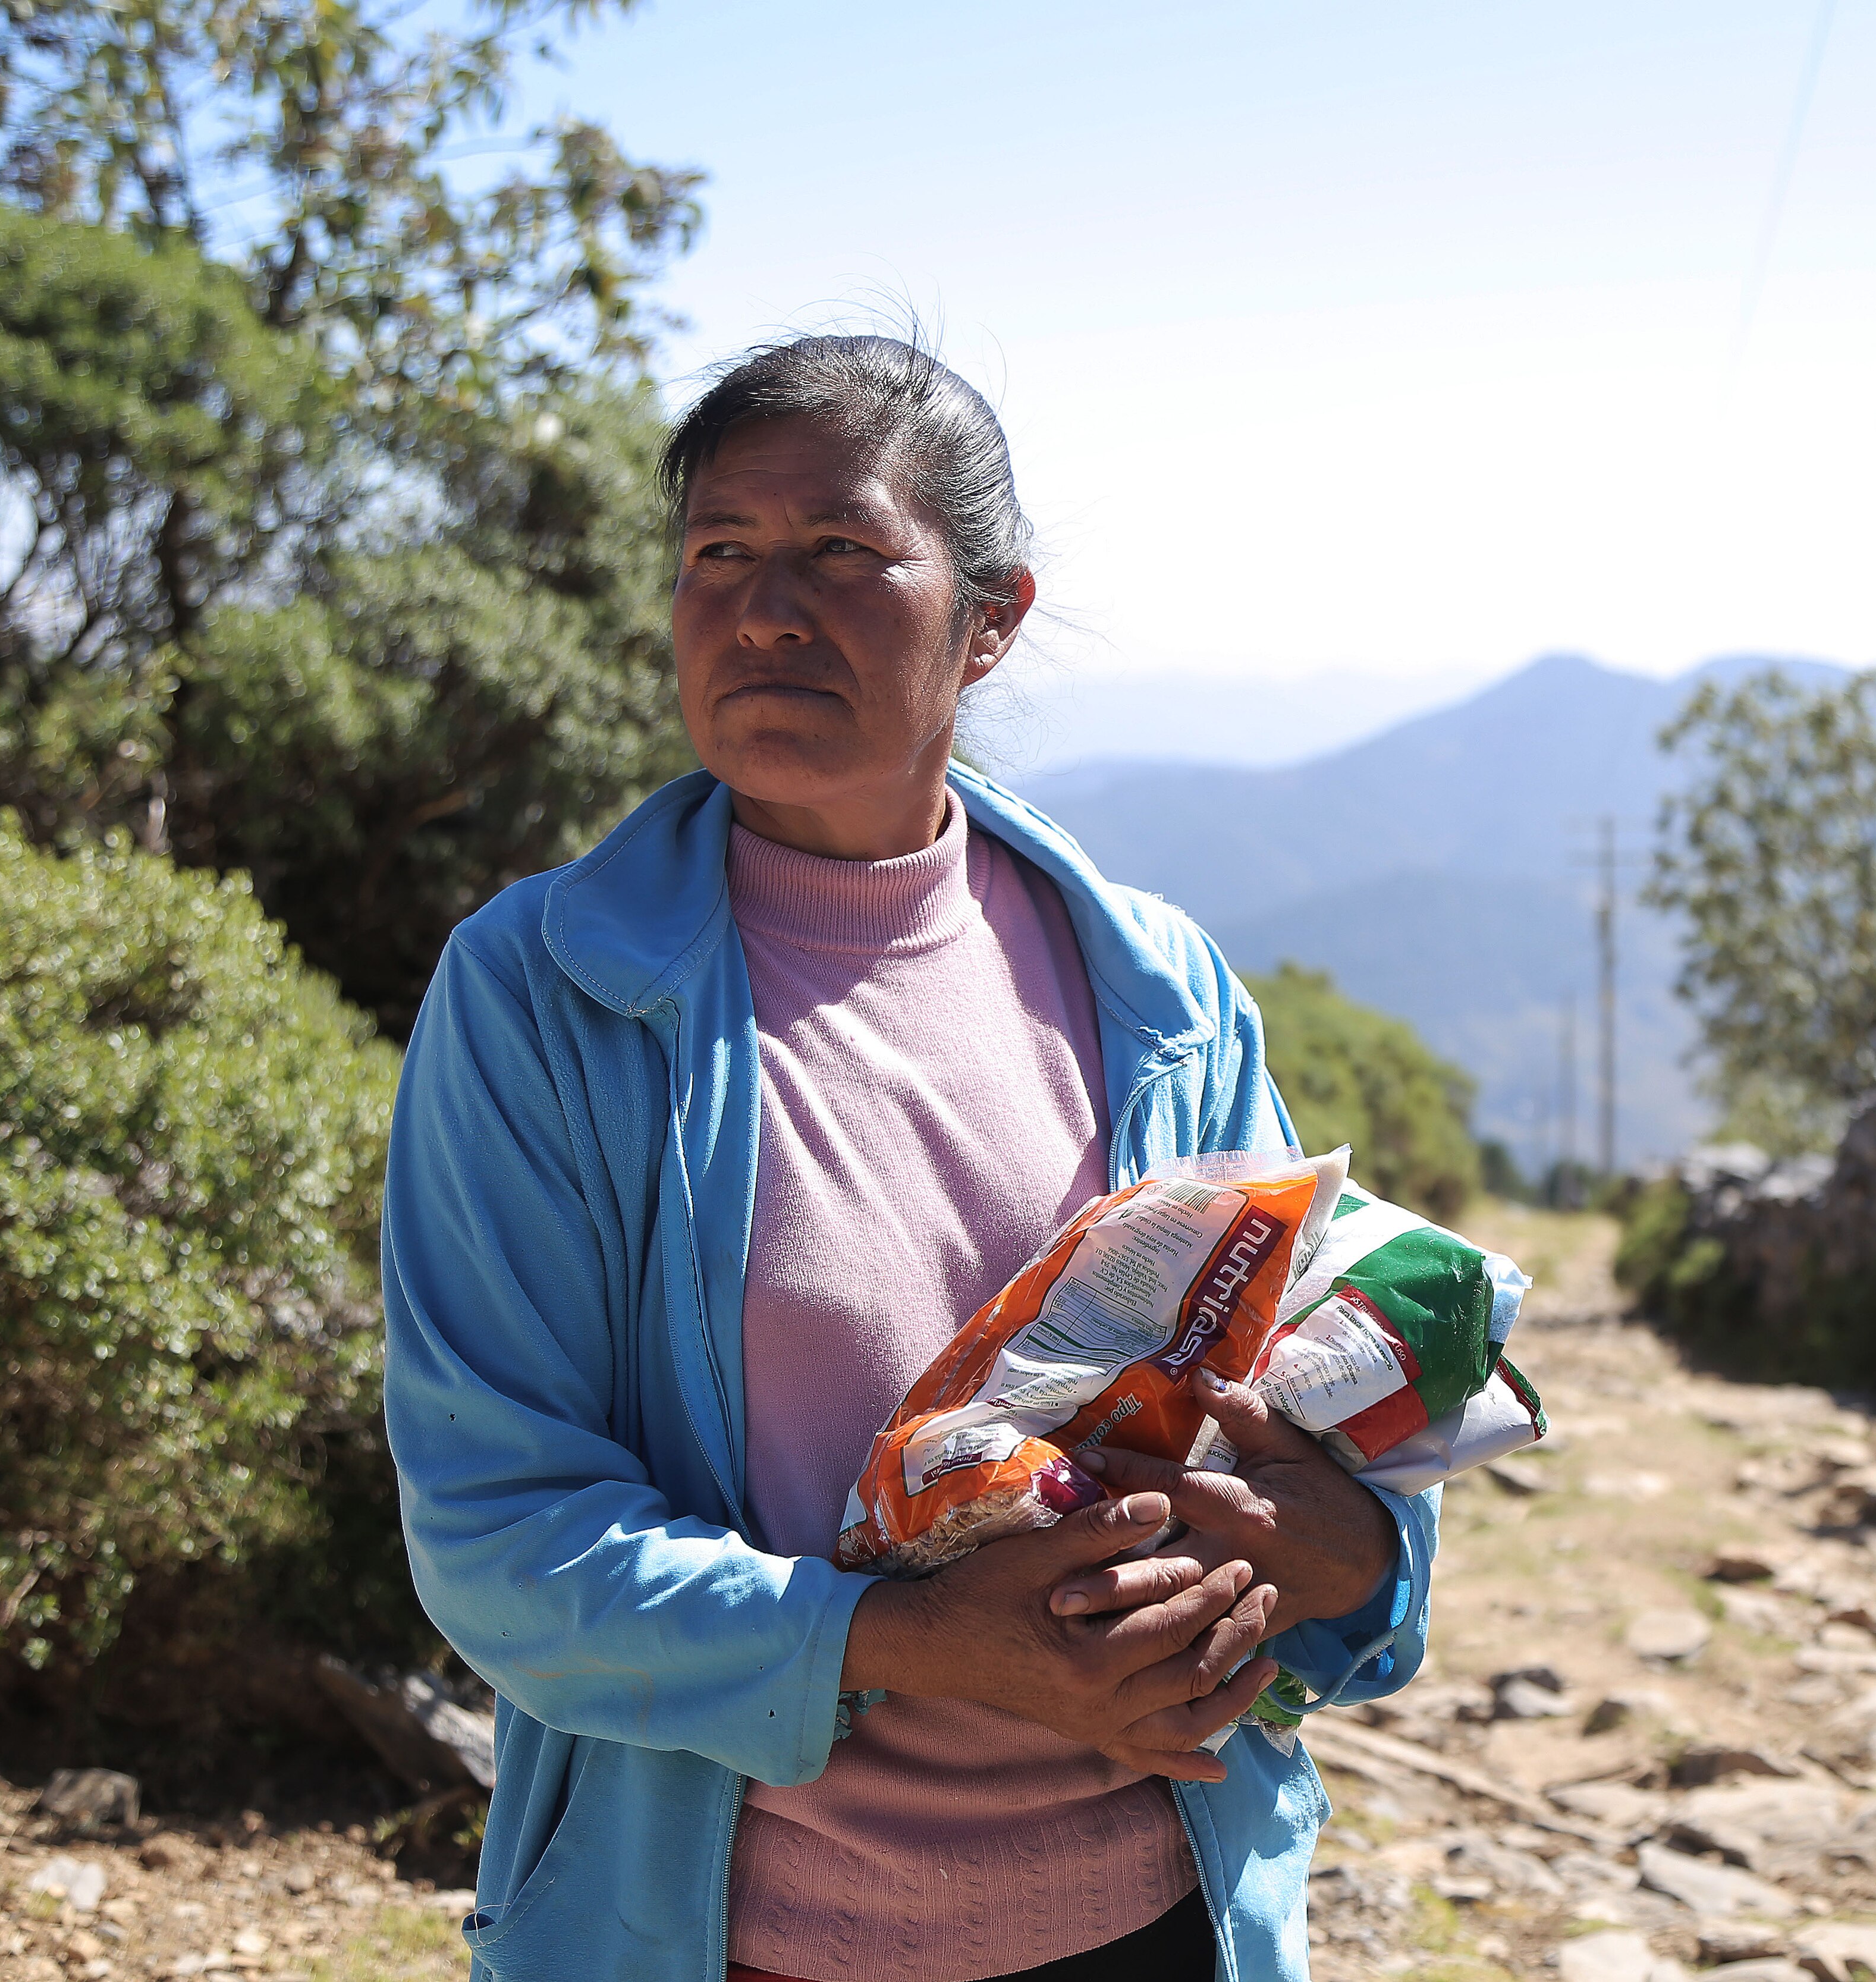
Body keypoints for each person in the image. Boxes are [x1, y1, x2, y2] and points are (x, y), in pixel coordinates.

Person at [381, 335, 1443, 1982]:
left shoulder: (1157, 990)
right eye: (717, 554)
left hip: (1160, 1925)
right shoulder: (545, 997)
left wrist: (1350, 1552)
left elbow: (1334, 1436)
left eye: (842, 552)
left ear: (990, 619)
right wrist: (917, 1643)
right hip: (735, 1943)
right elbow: (501, 1538)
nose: (765, 606)